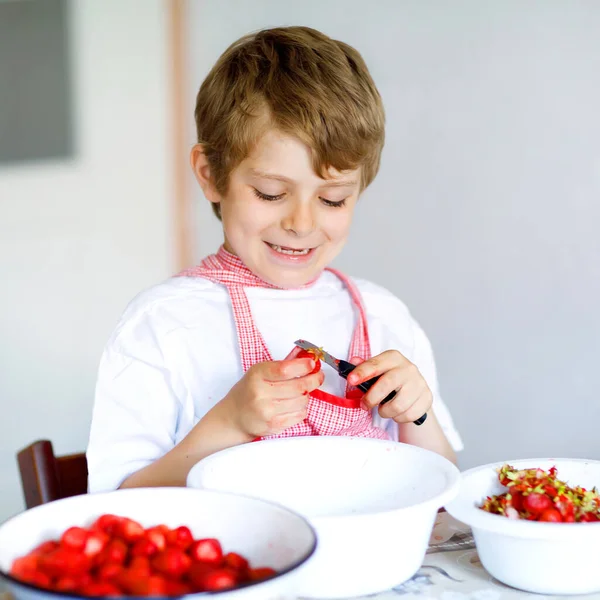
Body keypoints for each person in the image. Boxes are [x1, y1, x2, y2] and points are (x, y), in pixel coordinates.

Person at [87, 26, 463, 493]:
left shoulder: (385, 317)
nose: (301, 224)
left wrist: (417, 416)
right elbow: (116, 503)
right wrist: (229, 422)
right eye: (271, 193)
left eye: (333, 200)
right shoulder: (162, 324)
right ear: (211, 176)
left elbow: (445, 489)